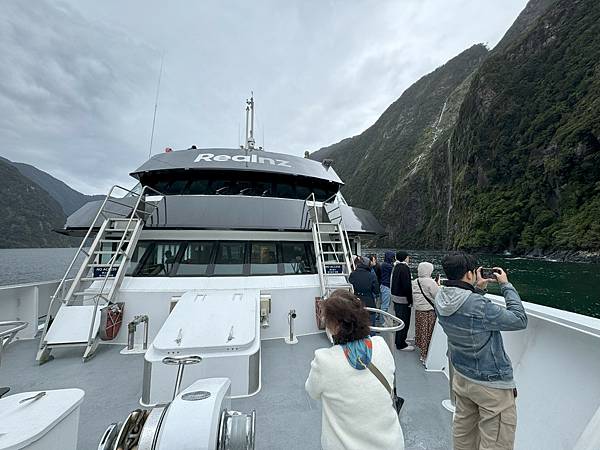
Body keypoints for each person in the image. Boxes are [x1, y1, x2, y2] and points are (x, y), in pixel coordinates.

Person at [434, 253, 527, 450]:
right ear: (469, 274)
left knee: (464, 435)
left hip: (462, 378)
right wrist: (506, 285)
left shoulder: (440, 296)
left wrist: (477, 289)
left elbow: (463, 305)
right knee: (495, 442)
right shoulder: (479, 305)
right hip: (490, 384)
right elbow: (519, 319)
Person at [305, 290, 405, 450]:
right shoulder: (381, 345)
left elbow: (312, 392)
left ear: (334, 326)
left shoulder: (324, 360)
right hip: (390, 444)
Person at [412, 262, 439, 364]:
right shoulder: (430, 282)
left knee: (421, 331)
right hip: (428, 311)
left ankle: (421, 350)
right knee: (428, 333)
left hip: (419, 310)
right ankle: (425, 355)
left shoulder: (415, 281)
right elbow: (437, 295)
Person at [390, 250, 414, 351]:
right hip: (403, 299)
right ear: (405, 258)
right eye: (408, 257)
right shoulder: (404, 268)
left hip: (395, 298)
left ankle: (399, 340)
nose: (409, 259)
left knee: (399, 321)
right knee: (405, 321)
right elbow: (407, 286)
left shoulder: (396, 267)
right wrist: (410, 300)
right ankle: (401, 344)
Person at [348, 256, 379, 328]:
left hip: (356, 302)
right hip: (369, 302)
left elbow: (350, 283)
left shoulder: (353, 274)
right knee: (371, 327)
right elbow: (376, 291)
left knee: (357, 326)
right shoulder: (372, 276)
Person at [379, 251, 395, 320]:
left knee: (384, 304)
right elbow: (393, 270)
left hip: (384, 285)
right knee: (385, 305)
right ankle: (382, 321)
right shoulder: (387, 266)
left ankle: (382, 319)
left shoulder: (384, 264)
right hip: (386, 286)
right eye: (393, 257)